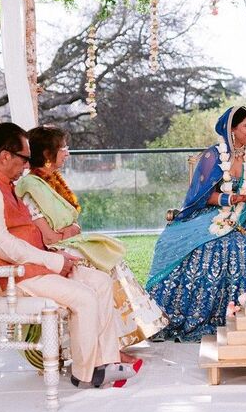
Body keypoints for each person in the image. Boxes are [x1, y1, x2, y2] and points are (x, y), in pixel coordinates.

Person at [0, 123, 139, 390]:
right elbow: (0, 245)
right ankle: (86, 374)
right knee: (84, 297)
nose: (28, 165)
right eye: (25, 158)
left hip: (29, 265)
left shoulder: (4, 183)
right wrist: (53, 261)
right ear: (5, 155)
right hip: (6, 275)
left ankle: (105, 362)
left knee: (99, 282)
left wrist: (55, 255)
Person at [16, 125, 167, 344]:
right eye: (62, 148)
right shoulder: (30, 186)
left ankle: (122, 337)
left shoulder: (47, 181)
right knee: (106, 266)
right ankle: (108, 342)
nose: (67, 152)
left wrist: (71, 229)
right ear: (48, 155)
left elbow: (68, 224)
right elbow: (49, 237)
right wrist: (71, 230)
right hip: (52, 251)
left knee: (112, 259)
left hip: (67, 242)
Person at [146, 106, 246, 341]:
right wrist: (235, 198)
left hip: (243, 219)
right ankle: (185, 316)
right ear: (231, 130)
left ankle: (243, 318)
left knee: (244, 246)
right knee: (196, 245)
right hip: (209, 214)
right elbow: (204, 197)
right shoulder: (214, 155)